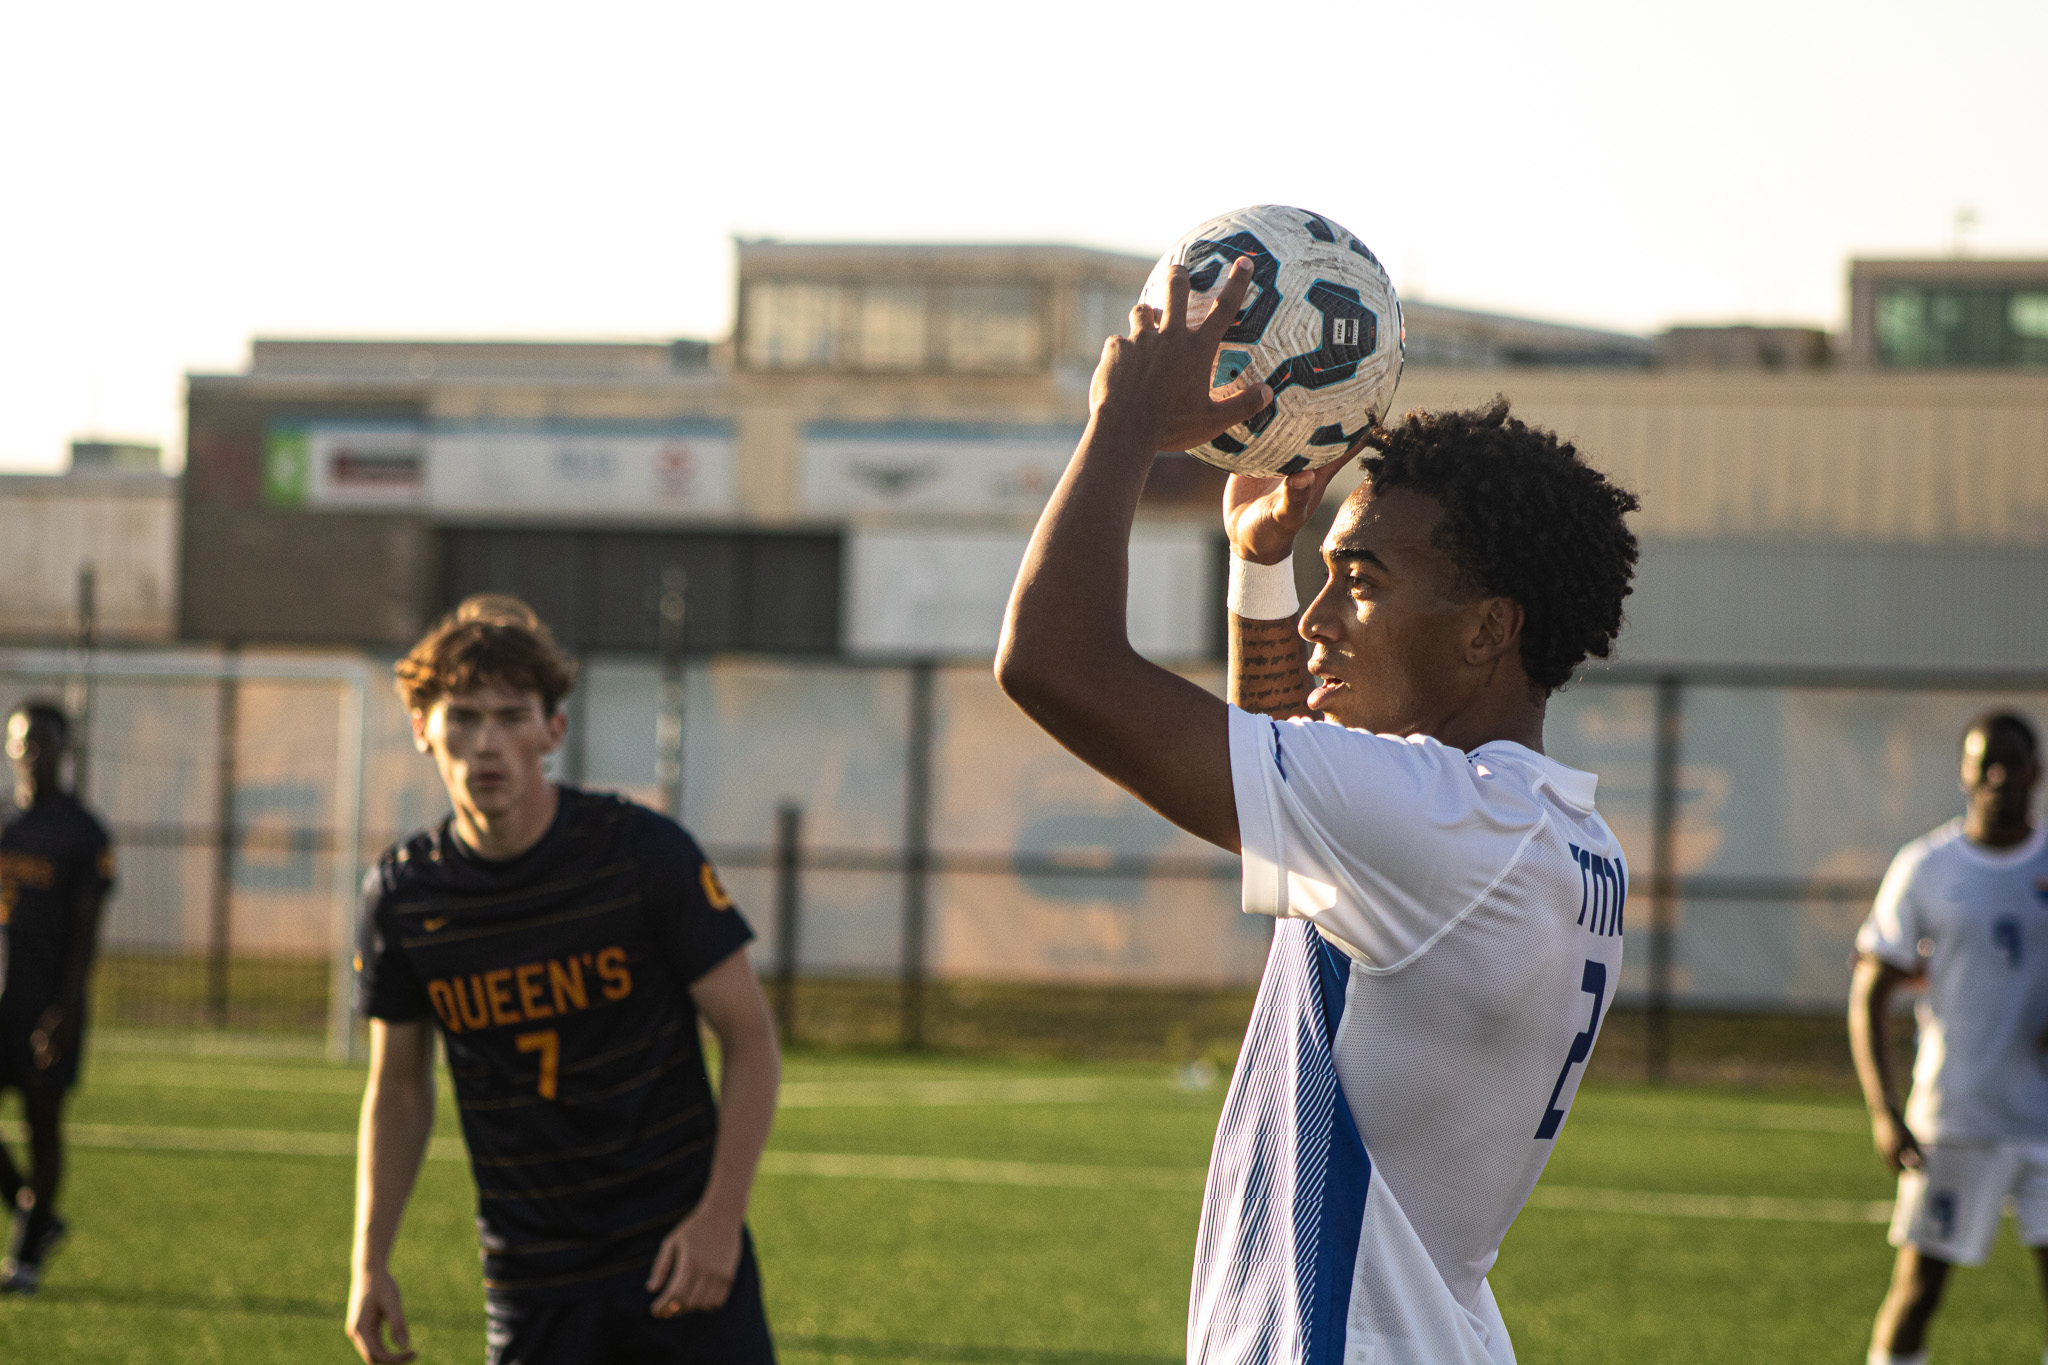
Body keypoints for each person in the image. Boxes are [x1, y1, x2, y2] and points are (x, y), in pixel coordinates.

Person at [997, 260, 1640, 1362]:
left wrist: (1122, 424)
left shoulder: (1442, 831)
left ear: (1486, 631)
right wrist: (1260, 568)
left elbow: (1053, 663)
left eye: (1361, 581)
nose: (1318, 621)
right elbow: (1303, 794)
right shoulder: (1537, 832)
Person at [346, 596, 781, 1365]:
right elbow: (401, 1086)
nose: (488, 744)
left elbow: (751, 1039)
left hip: (682, 1258)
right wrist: (369, 1258)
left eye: (513, 716)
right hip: (531, 1278)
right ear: (421, 729)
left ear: (554, 729)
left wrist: (721, 1218)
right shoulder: (405, 896)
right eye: (464, 717)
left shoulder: (642, 855)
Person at [1850, 711, 2048, 1365]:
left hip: (2046, 1121)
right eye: (1984, 762)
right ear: (1963, 772)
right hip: (1955, 1116)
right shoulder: (1927, 866)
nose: (1998, 776)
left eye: (2011, 762)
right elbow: (1869, 993)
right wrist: (1885, 1111)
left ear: (2036, 771)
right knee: (1918, 1290)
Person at [0, 701, 114, 1294]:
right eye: (24, 742)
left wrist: (66, 1008)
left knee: (41, 1124)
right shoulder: (3, 824)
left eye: (45, 742)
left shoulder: (82, 832)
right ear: (11, 748)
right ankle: (34, 1214)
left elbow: (86, 933)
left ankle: (24, 1260)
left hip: (48, 1002)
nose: (33, 753)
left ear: (64, 751)